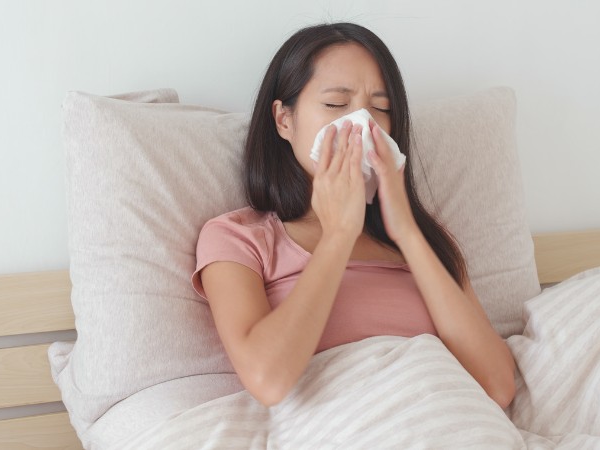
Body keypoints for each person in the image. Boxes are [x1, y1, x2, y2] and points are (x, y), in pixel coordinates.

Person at [192, 22, 515, 409]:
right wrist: (339, 234)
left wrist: (407, 233)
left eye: (381, 109)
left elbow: (497, 386)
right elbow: (268, 380)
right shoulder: (238, 238)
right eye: (335, 104)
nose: (362, 125)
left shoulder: (426, 243)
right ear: (284, 120)